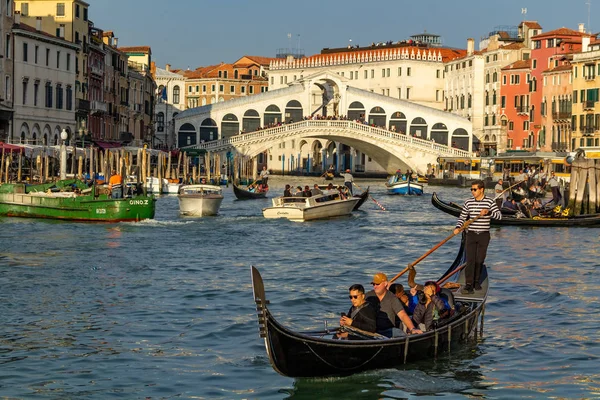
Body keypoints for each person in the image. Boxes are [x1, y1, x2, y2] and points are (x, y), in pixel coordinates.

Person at [453, 180, 502, 294]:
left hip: (484, 235)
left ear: (481, 189)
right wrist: (458, 227)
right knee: (470, 260)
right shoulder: (468, 202)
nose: (472, 192)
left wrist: (489, 212)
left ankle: (476, 282)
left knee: (479, 260)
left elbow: (499, 216)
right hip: (471, 234)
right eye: (471, 189)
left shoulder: (489, 202)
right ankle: (469, 284)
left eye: (474, 189)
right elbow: (462, 217)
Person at [365, 272, 422, 337]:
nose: (375, 286)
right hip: (371, 330)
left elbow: (402, 314)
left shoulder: (392, 298)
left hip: (388, 330)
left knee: (401, 334)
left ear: (385, 284)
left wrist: (412, 328)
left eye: (377, 284)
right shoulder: (367, 296)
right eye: (373, 284)